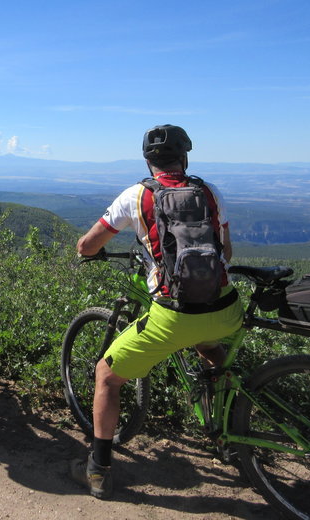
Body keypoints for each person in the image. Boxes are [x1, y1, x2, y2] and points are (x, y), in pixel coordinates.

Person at [71, 125, 243, 498]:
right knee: (210, 348)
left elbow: (87, 245)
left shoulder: (136, 196)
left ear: (148, 161)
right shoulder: (209, 191)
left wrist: (86, 251)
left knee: (106, 375)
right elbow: (226, 253)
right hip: (227, 307)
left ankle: (97, 470)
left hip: (175, 315)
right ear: (185, 158)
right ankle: (230, 433)